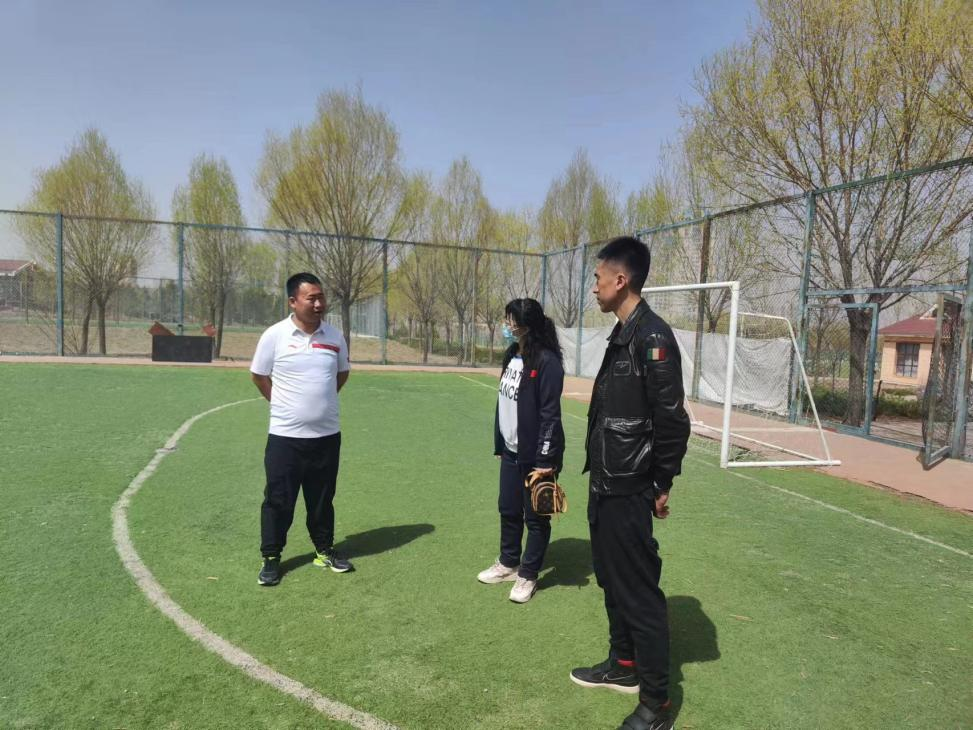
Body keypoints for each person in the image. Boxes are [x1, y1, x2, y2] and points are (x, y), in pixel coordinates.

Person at [570, 237, 691, 730]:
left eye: (598, 278)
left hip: (630, 486)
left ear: (621, 281)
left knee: (639, 593)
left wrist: (661, 483)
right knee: (610, 577)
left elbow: (672, 421)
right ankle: (622, 664)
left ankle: (656, 704)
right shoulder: (623, 332)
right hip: (605, 481)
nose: (594, 287)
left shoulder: (653, 336)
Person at [250, 272, 353, 587]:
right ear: (293, 302)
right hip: (286, 438)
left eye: (321, 297)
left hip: (327, 437)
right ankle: (271, 558)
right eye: (312, 298)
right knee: (278, 500)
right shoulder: (275, 335)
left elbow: (342, 373)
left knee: (322, 498)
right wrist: (283, 405)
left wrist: (320, 404)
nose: (319, 304)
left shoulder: (334, 337)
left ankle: (324, 550)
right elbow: (259, 375)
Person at [477, 298, 565, 604]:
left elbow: (550, 415)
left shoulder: (547, 362)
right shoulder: (512, 355)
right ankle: (509, 563)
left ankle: (528, 574)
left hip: (538, 456)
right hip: (511, 451)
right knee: (508, 508)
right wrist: (500, 443)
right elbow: (504, 401)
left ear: (526, 326)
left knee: (537, 517)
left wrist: (545, 460)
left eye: (510, 321)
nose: (506, 325)